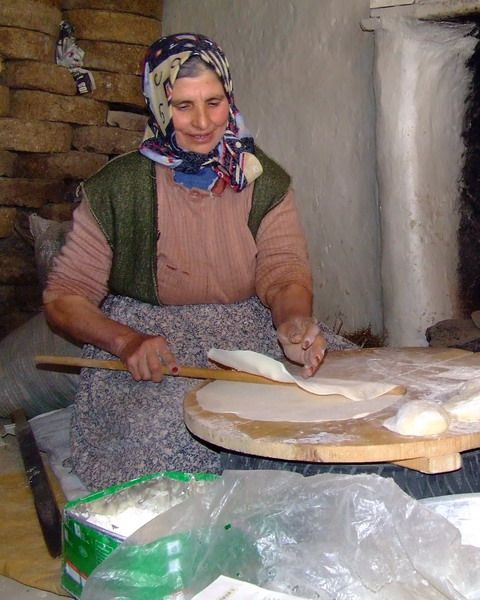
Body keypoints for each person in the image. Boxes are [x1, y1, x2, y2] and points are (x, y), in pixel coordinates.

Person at [44, 33, 352, 490]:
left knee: (333, 409)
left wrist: (291, 322)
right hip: (153, 347)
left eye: (214, 101)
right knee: (175, 434)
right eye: (183, 106)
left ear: (231, 98)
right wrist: (126, 342)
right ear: (157, 105)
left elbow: (283, 269)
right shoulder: (117, 188)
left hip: (249, 334)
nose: (203, 122)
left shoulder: (260, 179)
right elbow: (65, 297)